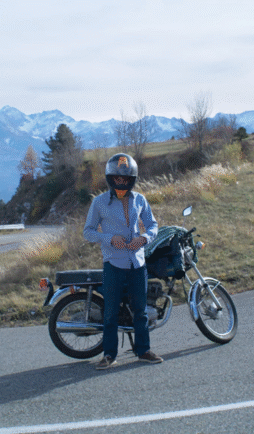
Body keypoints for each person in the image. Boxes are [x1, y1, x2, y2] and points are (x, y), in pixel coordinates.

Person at [83, 153, 162, 370]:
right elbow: (88, 232)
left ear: (131, 179)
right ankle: (109, 355)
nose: (121, 181)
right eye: (117, 178)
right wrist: (109, 239)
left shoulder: (140, 200)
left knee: (140, 311)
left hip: (137, 263)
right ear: (110, 178)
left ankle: (143, 351)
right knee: (110, 313)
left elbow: (153, 225)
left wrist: (144, 238)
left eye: (125, 178)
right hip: (113, 264)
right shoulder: (99, 202)